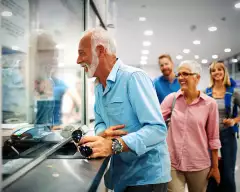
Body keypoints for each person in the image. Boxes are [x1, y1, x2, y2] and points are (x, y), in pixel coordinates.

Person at [76, 27, 171, 192]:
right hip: (121, 176)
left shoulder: (133, 78)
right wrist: (103, 133)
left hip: (146, 178)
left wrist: (114, 145)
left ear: (100, 51)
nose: (78, 60)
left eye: (82, 53)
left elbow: (157, 129)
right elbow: (100, 122)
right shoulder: (99, 86)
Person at [161, 60, 221, 192]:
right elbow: (156, 122)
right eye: (179, 74)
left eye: (186, 74)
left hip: (198, 163)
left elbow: (213, 138)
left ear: (197, 77)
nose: (181, 78)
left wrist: (215, 167)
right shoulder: (172, 99)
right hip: (172, 162)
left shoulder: (210, 104)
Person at [206, 61, 240, 192]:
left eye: (220, 69)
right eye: (214, 70)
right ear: (211, 74)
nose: (217, 72)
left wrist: (234, 120)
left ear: (224, 72)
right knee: (210, 171)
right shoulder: (206, 93)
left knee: (228, 173)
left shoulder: (233, 92)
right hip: (209, 137)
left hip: (228, 136)